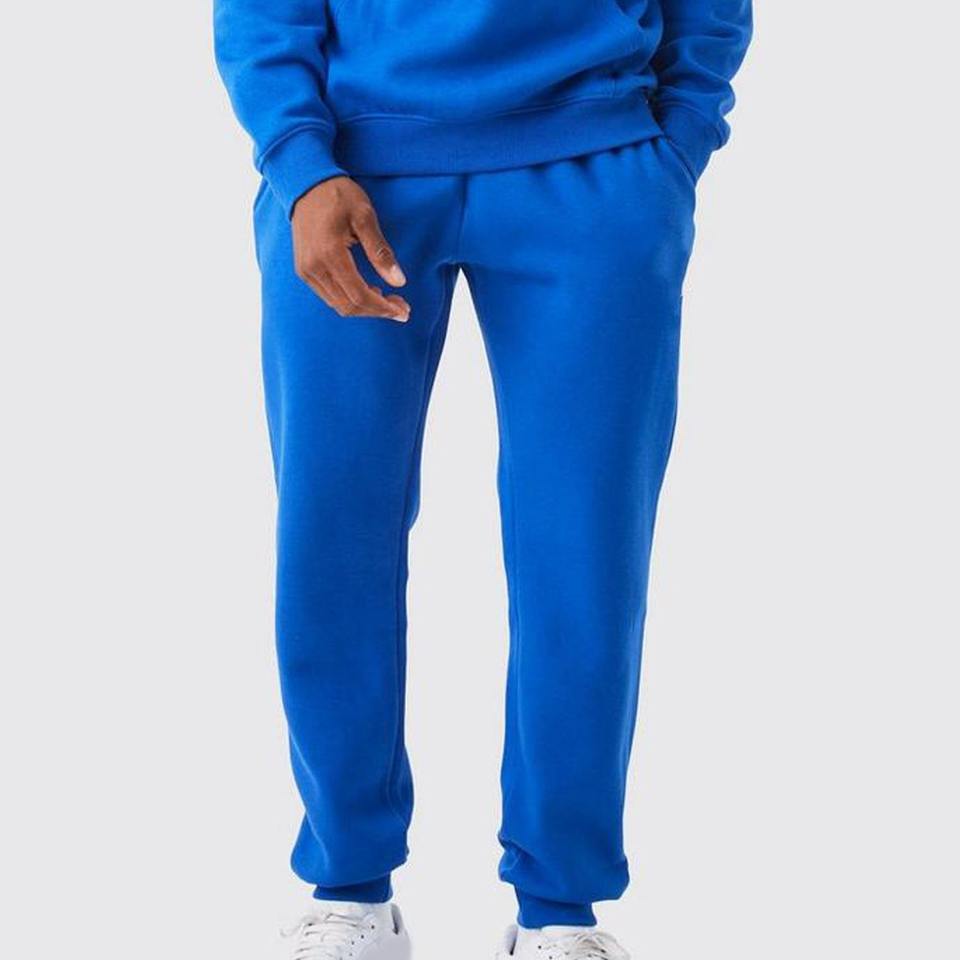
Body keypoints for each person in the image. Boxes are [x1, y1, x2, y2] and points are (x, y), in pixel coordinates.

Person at [214, 1, 751, 957]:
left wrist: (679, 144)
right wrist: (299, 161)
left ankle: (559, 911)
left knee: (583, 553)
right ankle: (351, 891)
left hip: (596, 166)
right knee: (330, 544)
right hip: (349, 173)